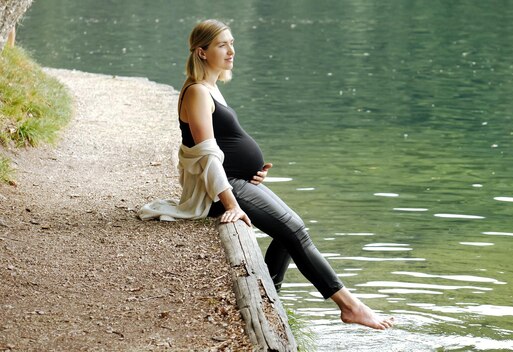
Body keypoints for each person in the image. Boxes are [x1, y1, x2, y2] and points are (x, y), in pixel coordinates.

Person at [140, 19, 393, 330]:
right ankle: (350, 307)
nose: (231, 50)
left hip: (237, 181)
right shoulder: (196, 93)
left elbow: (224, 146)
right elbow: (206, 156)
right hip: (220, 190)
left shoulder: (211, 89)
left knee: (292, 230)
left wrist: (251, 171)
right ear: (202, 52)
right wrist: (232, 204)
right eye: (222, 45)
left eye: (231, 43)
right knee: (294, 229)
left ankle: (268, 297)